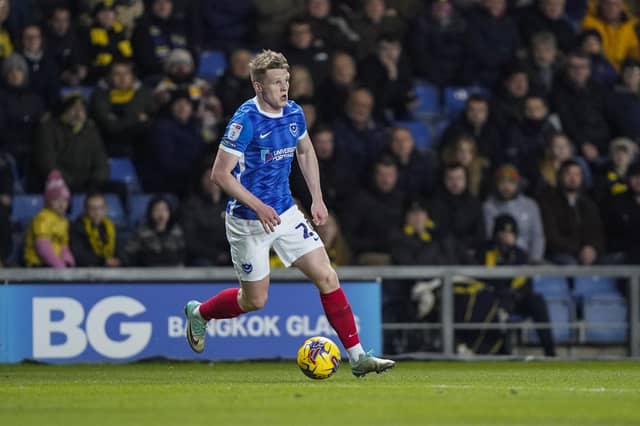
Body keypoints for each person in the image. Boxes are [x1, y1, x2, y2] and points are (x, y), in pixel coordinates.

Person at [183, 50, 395, 377]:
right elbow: (220, 174)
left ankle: (357, 357)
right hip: (248, 220)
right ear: (258, 87)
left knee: (327, 276)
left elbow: (306, 150)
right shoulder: (244, 121)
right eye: (276, 83)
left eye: (286, 81)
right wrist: (258, 205)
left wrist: (317, 198)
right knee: (254, 301)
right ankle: (201, 313)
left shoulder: (293, 112)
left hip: (286, 212)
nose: (284, 89)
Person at [479, 214, 556, 356]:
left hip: (515, 298)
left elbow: (525, 284)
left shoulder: (520, 254)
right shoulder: (485, 252)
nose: (507, 237)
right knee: (490, 303)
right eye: (503, 233)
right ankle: (500, 352)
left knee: (536, 301)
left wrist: (509, 258)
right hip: (493, 299)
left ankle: (550, 352)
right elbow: (487, 280)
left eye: (510, 233)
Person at [32, 94, 109, 193]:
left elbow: (101, 161)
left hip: (89, 182)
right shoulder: (47, 129)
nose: (78, 114)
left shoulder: (91, 130)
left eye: (82, 110)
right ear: (63, 111)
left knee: (119, 189)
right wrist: (69, 181)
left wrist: (96, 180)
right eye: (73, 109)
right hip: (61, 183)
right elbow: (48, 164)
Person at [537, 159, 605, 264]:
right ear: (560, 176)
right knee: (570, 263)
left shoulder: (589, 204)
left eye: (577, 174)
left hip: (587, 253)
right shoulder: (548, 202)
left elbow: (597, 232)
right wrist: (578, 250)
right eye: (568, 174)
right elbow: (551, 237)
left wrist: (592, 248)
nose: (573, 178)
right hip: (560, 253)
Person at [483, 164, 546, 263]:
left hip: (527, 259)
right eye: (502, 182)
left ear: (518, 184)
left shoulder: (530, 205)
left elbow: (537, 236)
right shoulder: (489, 206)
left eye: (511, 182)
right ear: (496, 184)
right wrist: (500, 238)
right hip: (498, 258)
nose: (506, 186)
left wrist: (535, 261)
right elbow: (487, 235)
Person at [89, 60, 153, 158]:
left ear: (132, 76)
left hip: (140, 143)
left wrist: (119, 119)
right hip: (110, 145)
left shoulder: (142, 93)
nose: (122, 78)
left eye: (126, 73)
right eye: (117, 74)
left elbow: (151, 122)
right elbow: (110, 127)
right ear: (109, 77)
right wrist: (136, 118)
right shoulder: (99, 95)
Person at [180, 163, 230, 266]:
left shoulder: (232, 204)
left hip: (232, 255)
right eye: (208, 177)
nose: (212, 181)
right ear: (201, 180)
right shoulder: (192, 206)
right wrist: (215, 254)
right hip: (204, 257)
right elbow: (190, 240)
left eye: (215, 176)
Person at [23, 170, 75, 268]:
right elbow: (42, 247)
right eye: (56, 200)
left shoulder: (63, 220)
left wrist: (68, 262)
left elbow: (63, 245)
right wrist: (60, 266)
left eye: (64, 200)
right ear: (48, 202)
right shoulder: (42, 218)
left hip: (55, 265)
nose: (61, 204)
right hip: (38, 265)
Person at [123, 194, 186, 266]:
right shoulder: (142, 232)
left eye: (165, 210)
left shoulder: (176, 231)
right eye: (157, 210)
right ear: (151, 212)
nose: (161, 213)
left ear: (170, 212)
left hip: (172, 271)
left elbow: (182, 254)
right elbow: (130, 252)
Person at [70, 191, 122, 267]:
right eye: (93, 208)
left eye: (101, 208)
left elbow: (120, 251)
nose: (97, 212)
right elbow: (79, 254)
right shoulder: (77, 228)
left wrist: (119, 261)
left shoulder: (112, 228)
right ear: (85, 210)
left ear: (106, 209)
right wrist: (103, 261)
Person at [605, 161, 640, 263]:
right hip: (623, 254)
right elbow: (610, 235)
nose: (639, 181)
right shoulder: (616, 201)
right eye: (635, 177)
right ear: (628, 179)